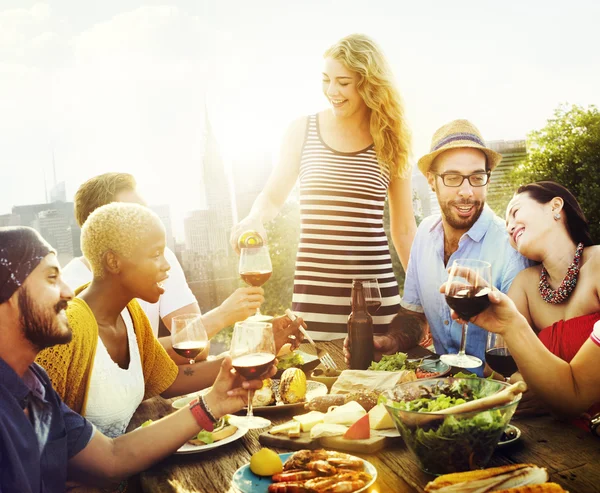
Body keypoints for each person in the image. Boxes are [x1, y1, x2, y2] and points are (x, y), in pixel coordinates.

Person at [0, 226, 270, 492]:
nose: (68, 292)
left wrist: (212, 403)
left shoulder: (36, 384)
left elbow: (112, 456)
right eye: (50, 278)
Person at [35, 203, 302, 439]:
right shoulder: (66, 332)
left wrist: (260, 350)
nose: (166, 266)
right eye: (155, 255)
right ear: (113, 262)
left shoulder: (130, 315)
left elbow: (171, 379)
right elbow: (33, 437)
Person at [230, 33, 417, 341]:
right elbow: (273, 196)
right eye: (326, 79)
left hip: (375, 301)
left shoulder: (394, 141)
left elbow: (405, 230)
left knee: (382, 385)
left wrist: (426, 302)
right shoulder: (303, 130)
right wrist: (253, 219)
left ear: (368, 83)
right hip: (314, 299)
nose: (332, 91)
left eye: (343, 82)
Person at [345, 119, 532, 375]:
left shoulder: (511, 247)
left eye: (477, 177)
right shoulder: (424, 234)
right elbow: (413, 316)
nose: (466, 191)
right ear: (431, 181)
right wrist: (389, 342)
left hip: (494, 395)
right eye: (453, 177)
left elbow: (526, 344)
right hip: (437, 387)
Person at [63, 172, 263, 359]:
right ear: (99, 225)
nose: (147, 221)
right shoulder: (71, 291)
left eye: (146, 212)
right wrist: (221, 316)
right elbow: (123, 364)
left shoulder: (160, 259)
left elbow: (197, 349)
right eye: (133, 215)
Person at [463, 180, 599, 427]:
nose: (510, 227)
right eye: (506, 226)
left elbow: (574, 391)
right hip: (559, 437)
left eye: (515, 212)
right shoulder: (524, 285)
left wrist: (542, 384)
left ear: (555, 206)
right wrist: (523, 380)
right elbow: (496, 369)